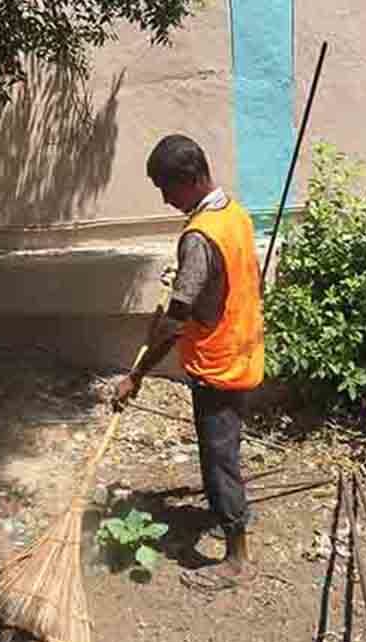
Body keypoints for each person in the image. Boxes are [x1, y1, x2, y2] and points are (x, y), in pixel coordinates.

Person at [113, 134, 264, 591]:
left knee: (217, 457)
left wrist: (135, 376)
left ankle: (236, 558)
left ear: (192, 179)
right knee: (228, 447)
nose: (164, 199)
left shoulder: (199, 237)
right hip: (243, 350)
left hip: (218, 366)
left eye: (167, 188)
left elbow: (176, 321)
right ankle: (235, 511)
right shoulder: (232, 213)